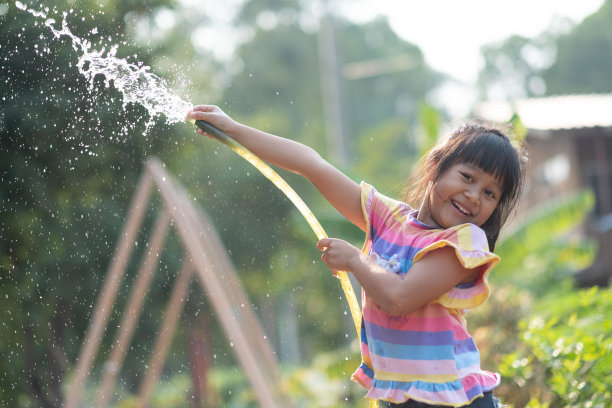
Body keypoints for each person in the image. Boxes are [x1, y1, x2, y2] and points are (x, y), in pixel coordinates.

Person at [188, 105, 526, 407]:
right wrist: (233, 128)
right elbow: (312, 165)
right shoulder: (389, 219)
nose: (473, 196)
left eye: (490, 193)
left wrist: (355, 260)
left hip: (456, 400)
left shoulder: (464, 241)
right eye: (467, 177)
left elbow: (399, 297)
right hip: (405, 399)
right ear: (436, 166)